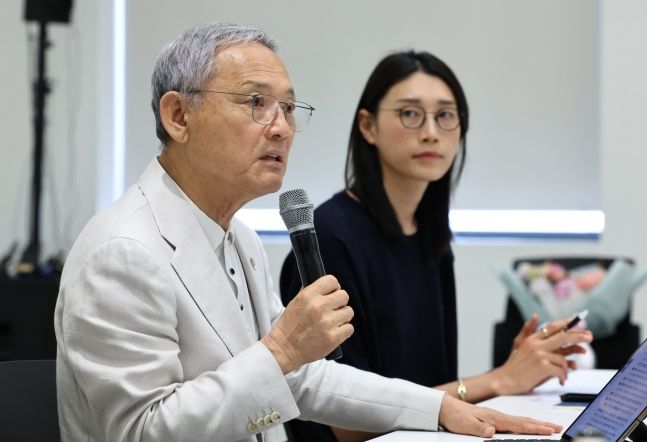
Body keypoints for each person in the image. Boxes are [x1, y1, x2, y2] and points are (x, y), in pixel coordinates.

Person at [54, 23, 564, 442]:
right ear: (178, 115)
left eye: (290, 108)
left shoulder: (240, 237)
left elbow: (304, 377)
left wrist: (440, 408)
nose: (281, 127)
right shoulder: (123, 252)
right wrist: (279, 351)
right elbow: (139, 433)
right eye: (256, 103)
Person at [280, 50, 594, 441]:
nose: (430, 132)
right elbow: (344, 424)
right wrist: (498, 379)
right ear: (368, 126)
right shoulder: (329, 236)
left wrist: (516, 369)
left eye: (446, 116)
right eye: (410, 114)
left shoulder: (431, 235)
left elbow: (433, 386)